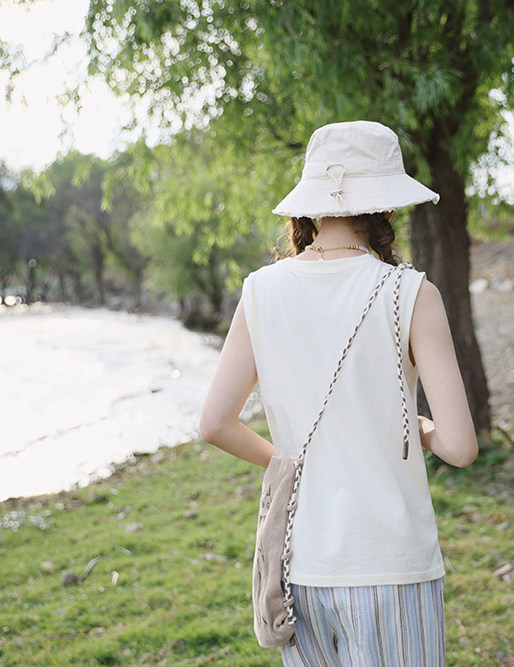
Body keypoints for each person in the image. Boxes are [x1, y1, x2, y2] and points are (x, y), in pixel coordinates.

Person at [199, 120, 478, 666]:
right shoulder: (410, 292)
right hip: (392, 563)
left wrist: (288, 463)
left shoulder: (261, 290)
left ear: (311, 205)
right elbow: (461, 447)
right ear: (386, 206)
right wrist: (420, 427)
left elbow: (213, 424)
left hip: (300, 566)